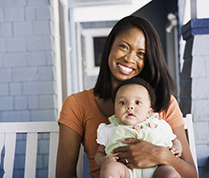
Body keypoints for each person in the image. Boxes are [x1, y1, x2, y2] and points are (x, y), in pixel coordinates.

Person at [56, 15, 197, 178]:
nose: (129, 58)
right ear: (109, 47)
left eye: (141, 54)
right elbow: (64, 174)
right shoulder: (77, 104)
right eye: (124, 46)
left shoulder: (165, 102)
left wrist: (161, 155)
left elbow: (191, 174)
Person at [95, 77, 182, 178]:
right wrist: (103, 161)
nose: (130, 107)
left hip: (156, 169)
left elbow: (174, 140)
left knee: (170, 173)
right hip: (124, 170)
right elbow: (99, 152)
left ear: (149, 112)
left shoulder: (159, 125)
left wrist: (176, 148)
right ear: (115, 110)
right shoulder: (109, 129)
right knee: (110, 168)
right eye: (123, 102)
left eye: (137, 102)